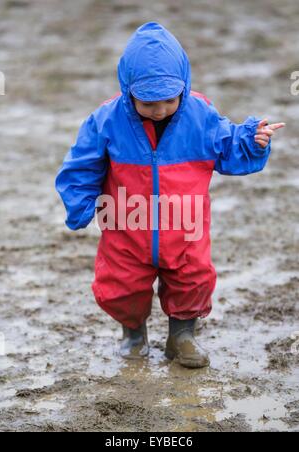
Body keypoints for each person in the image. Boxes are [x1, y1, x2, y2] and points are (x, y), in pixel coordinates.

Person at [55, 22, 285, 368]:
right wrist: (80, 204)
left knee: (193, 277)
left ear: (184, 87)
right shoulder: (107, 119)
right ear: (128, 88)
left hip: (185, 226)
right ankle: (133, 333)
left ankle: (182, 335)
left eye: (168, 100)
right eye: (148, 102)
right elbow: (82, 164)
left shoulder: (199, 114)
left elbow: (227, 146)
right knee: (122, 283)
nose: (159, 109)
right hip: (125, 224)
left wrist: (252, 141)